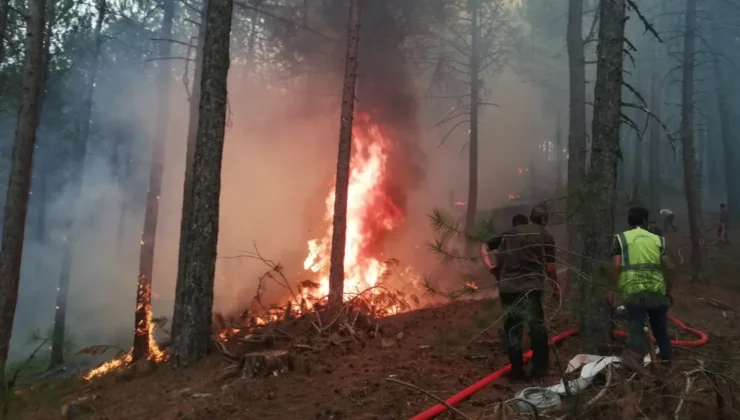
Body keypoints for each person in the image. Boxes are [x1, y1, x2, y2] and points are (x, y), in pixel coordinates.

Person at [495, 205, 557, 381]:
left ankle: (516, 371)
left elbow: (500, 258)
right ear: (545, 220)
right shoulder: (546, 236)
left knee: (513, 329)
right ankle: (539, 372)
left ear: (531, 217)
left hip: (508, 288)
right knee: (537, 329)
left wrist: (500, 277)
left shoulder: (512, 233)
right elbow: (550, 268)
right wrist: (555, 287)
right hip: (530, 288)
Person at [610, 206, 675, 365]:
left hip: (633, 290)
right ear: (645, 220)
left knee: (636, 327)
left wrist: (612, 289)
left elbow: (616, 266)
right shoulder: (657, 239)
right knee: (661, 330)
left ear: (629, 220)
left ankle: (636, 368)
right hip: (657, 291)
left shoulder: (621, 238)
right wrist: (669, 291)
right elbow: (670, 267)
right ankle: (668, 364)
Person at [481, 214, 529, 279]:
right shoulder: (529, 238)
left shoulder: (506, 236)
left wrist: (489, 266)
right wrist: (489, 266)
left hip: (507, 277)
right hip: (519, 277)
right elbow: (484, 246)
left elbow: (484, 246)